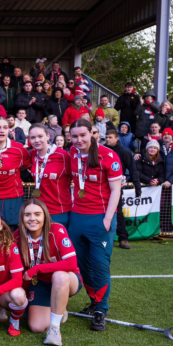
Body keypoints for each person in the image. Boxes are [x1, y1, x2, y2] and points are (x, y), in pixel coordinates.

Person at [67, 119, 122, 331]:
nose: (79, 140)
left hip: (100, 217)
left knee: (100, 264)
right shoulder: (71, 152)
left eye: (83, 135)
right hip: (77, 217)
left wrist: (108, 219)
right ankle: (94, 301)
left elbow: (116, 190)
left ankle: (102, 309)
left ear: (92, 133)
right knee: (81, 264)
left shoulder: (108, 155)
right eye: (75, 136)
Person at [15, 199, 82, 346]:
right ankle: (58, 307)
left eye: (37, 214)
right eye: (27, 215)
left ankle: (54, 329)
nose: (32, 218)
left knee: (59, 275)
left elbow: (71, 264)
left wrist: (37, 268)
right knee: (36, 327)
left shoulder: (56, 230)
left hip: (68, 279)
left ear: (45, 215)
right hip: (39, 283)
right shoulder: (17, 236)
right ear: (22, 217)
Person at [27, 124, 73, 226]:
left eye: (40, 136)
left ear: (48, 136)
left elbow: (78, 175)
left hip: (59, 210)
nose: (36, 140)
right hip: (39, 209)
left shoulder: (63, 156)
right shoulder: (32, 154)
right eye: (33, 138)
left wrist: (73, 182)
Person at [104, 128, 142, 249]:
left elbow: (133, 169)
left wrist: (137, 186)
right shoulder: (102, 151)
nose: (108, 140)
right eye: (106, 137)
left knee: (118, 211)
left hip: (116, 187)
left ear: (117, 139)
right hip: (102, 186)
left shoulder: (124, 152)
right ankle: (102, 237)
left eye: (110, 137)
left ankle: (123, 238)